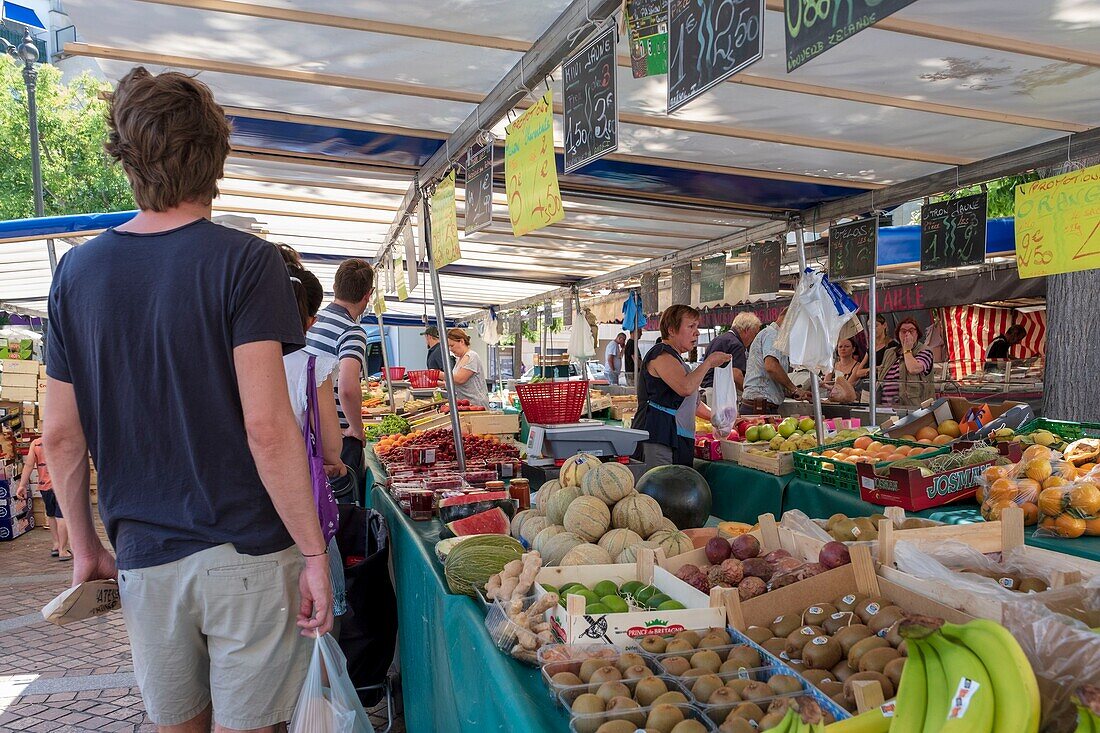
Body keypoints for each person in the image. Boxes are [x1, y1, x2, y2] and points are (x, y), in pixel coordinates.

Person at [44, 67, 331, 733]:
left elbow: (60, 435)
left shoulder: (76, 275)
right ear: (215, 156)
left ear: (127, 159)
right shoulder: (247, 262)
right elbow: (266, 426)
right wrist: (314, 553)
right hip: (251, 555)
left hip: (146, 558)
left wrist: (85, 547)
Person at [280, 251, 349, 618]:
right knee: (325, 608)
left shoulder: (230, 359)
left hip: (246, 515)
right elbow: (330, 444)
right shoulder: (312, 365)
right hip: (302, 503)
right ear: (307, 318)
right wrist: (334, 461)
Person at [305, 258, 374, 505]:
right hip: (337, 435)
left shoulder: (311, 321)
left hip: (310, 430)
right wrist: (356, 428)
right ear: (369, 295)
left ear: (334, 288)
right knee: (344, 507)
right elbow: (347, 387)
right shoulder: (352, 331)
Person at [631, 305, 731, 466]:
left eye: (697, 327)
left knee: (676, 486)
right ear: (671, 330)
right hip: (660, 436)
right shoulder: (661, 354)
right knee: (662, 486)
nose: (697, 332)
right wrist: (709, 363)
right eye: (691, 326)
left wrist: (720, 418)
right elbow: (685, 388)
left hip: (678, 436)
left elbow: (694, 404)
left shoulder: (677, 360)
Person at [740, 309, 810, 414]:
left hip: (762, 404)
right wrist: (794, 389)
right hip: (760, 406)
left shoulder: (774, 336)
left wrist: (793, 392)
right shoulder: (772, 335)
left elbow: (771, 379)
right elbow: (771, 366)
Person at [17, 436, 68, 561]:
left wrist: (22, 485)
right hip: (61, 486)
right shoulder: (63, 440)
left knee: (50, 515)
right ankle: (63, 550)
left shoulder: (36, 443)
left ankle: (56, 544)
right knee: (62, 517)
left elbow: (29, 465)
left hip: (45, 487)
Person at [879, 317, 935, 406]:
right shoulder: (890, 352)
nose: (907, 334)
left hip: (913, 409)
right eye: (903, 331)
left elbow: (913, 368)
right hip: (886, 407)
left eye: (911, 331)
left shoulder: (925, 351)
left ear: (917, 334)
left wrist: (907, 349)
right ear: (898, 334)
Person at [701, 312, 761, 391]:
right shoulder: (737, 344)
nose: (754, 338)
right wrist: (749, 392)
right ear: (747, 330)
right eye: (755, 333)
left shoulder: (719, 339)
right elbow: (736, 375)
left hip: (705, 388)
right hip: (718, 391)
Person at [446, 328, 489, 407]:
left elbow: (460, 379)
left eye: (452, 345)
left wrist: (440, 374)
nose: (450, 349)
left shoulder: (472, 356)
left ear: (461, 341)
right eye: (449, 346)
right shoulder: (459, 359)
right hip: (465, 404)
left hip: (476, 405)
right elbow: (455, 381)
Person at [824, 337, 868, 404]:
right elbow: (825, 382)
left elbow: (847, 386)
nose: (843, 349)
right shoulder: (832, 365)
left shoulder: (857, 366)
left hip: (850, 401)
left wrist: (827, 386)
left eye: (846, 346)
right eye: (840, 347)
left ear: (853, 349)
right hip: (833, 400)